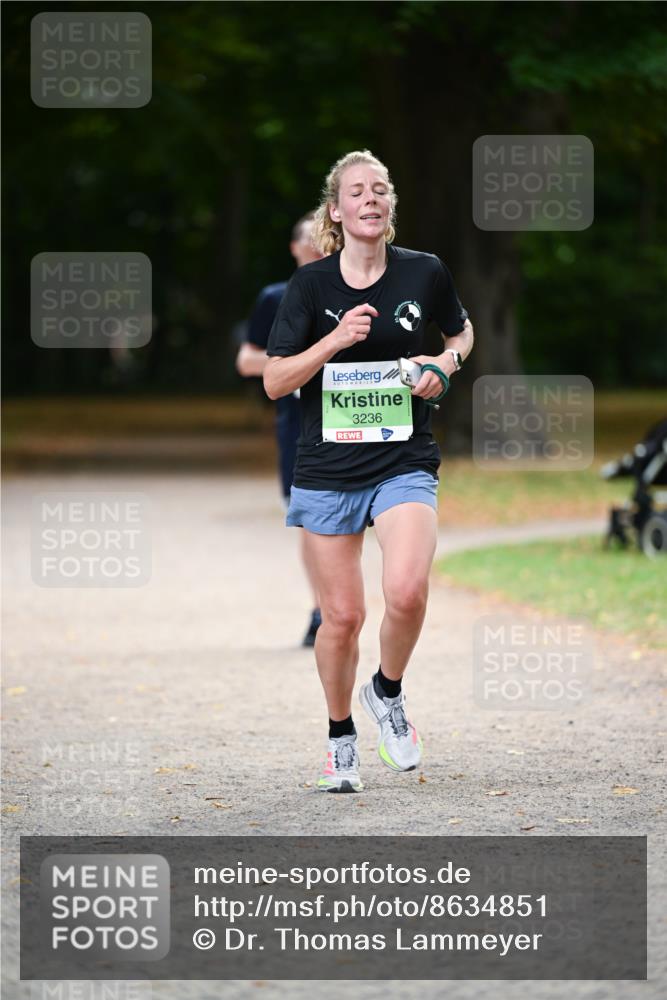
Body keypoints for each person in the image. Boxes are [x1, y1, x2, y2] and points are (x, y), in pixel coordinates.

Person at [264, 150, 474, 792]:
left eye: (380, 189)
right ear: (338, 210)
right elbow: (275, 380)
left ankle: (386, 691)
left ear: (389, 207)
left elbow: (460, 336)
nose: (370, 199)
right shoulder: (310, 287)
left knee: (407, 590)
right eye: (356, 191)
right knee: (344, 618)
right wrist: (332, 342)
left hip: (403, 459)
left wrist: (445, 365)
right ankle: (339, 738)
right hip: (327, 468)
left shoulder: (424, 272)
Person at [236, 213, 324, 646]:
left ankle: (343, 606)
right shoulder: (275, 298)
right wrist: (293, 362)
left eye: (325, 235)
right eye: (309, 236)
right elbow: (247, 360)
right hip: (297, 424)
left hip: (350, 418)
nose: (317, 243)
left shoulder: (355, 292)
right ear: (294, 247)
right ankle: (322, 608)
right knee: (311, 521)